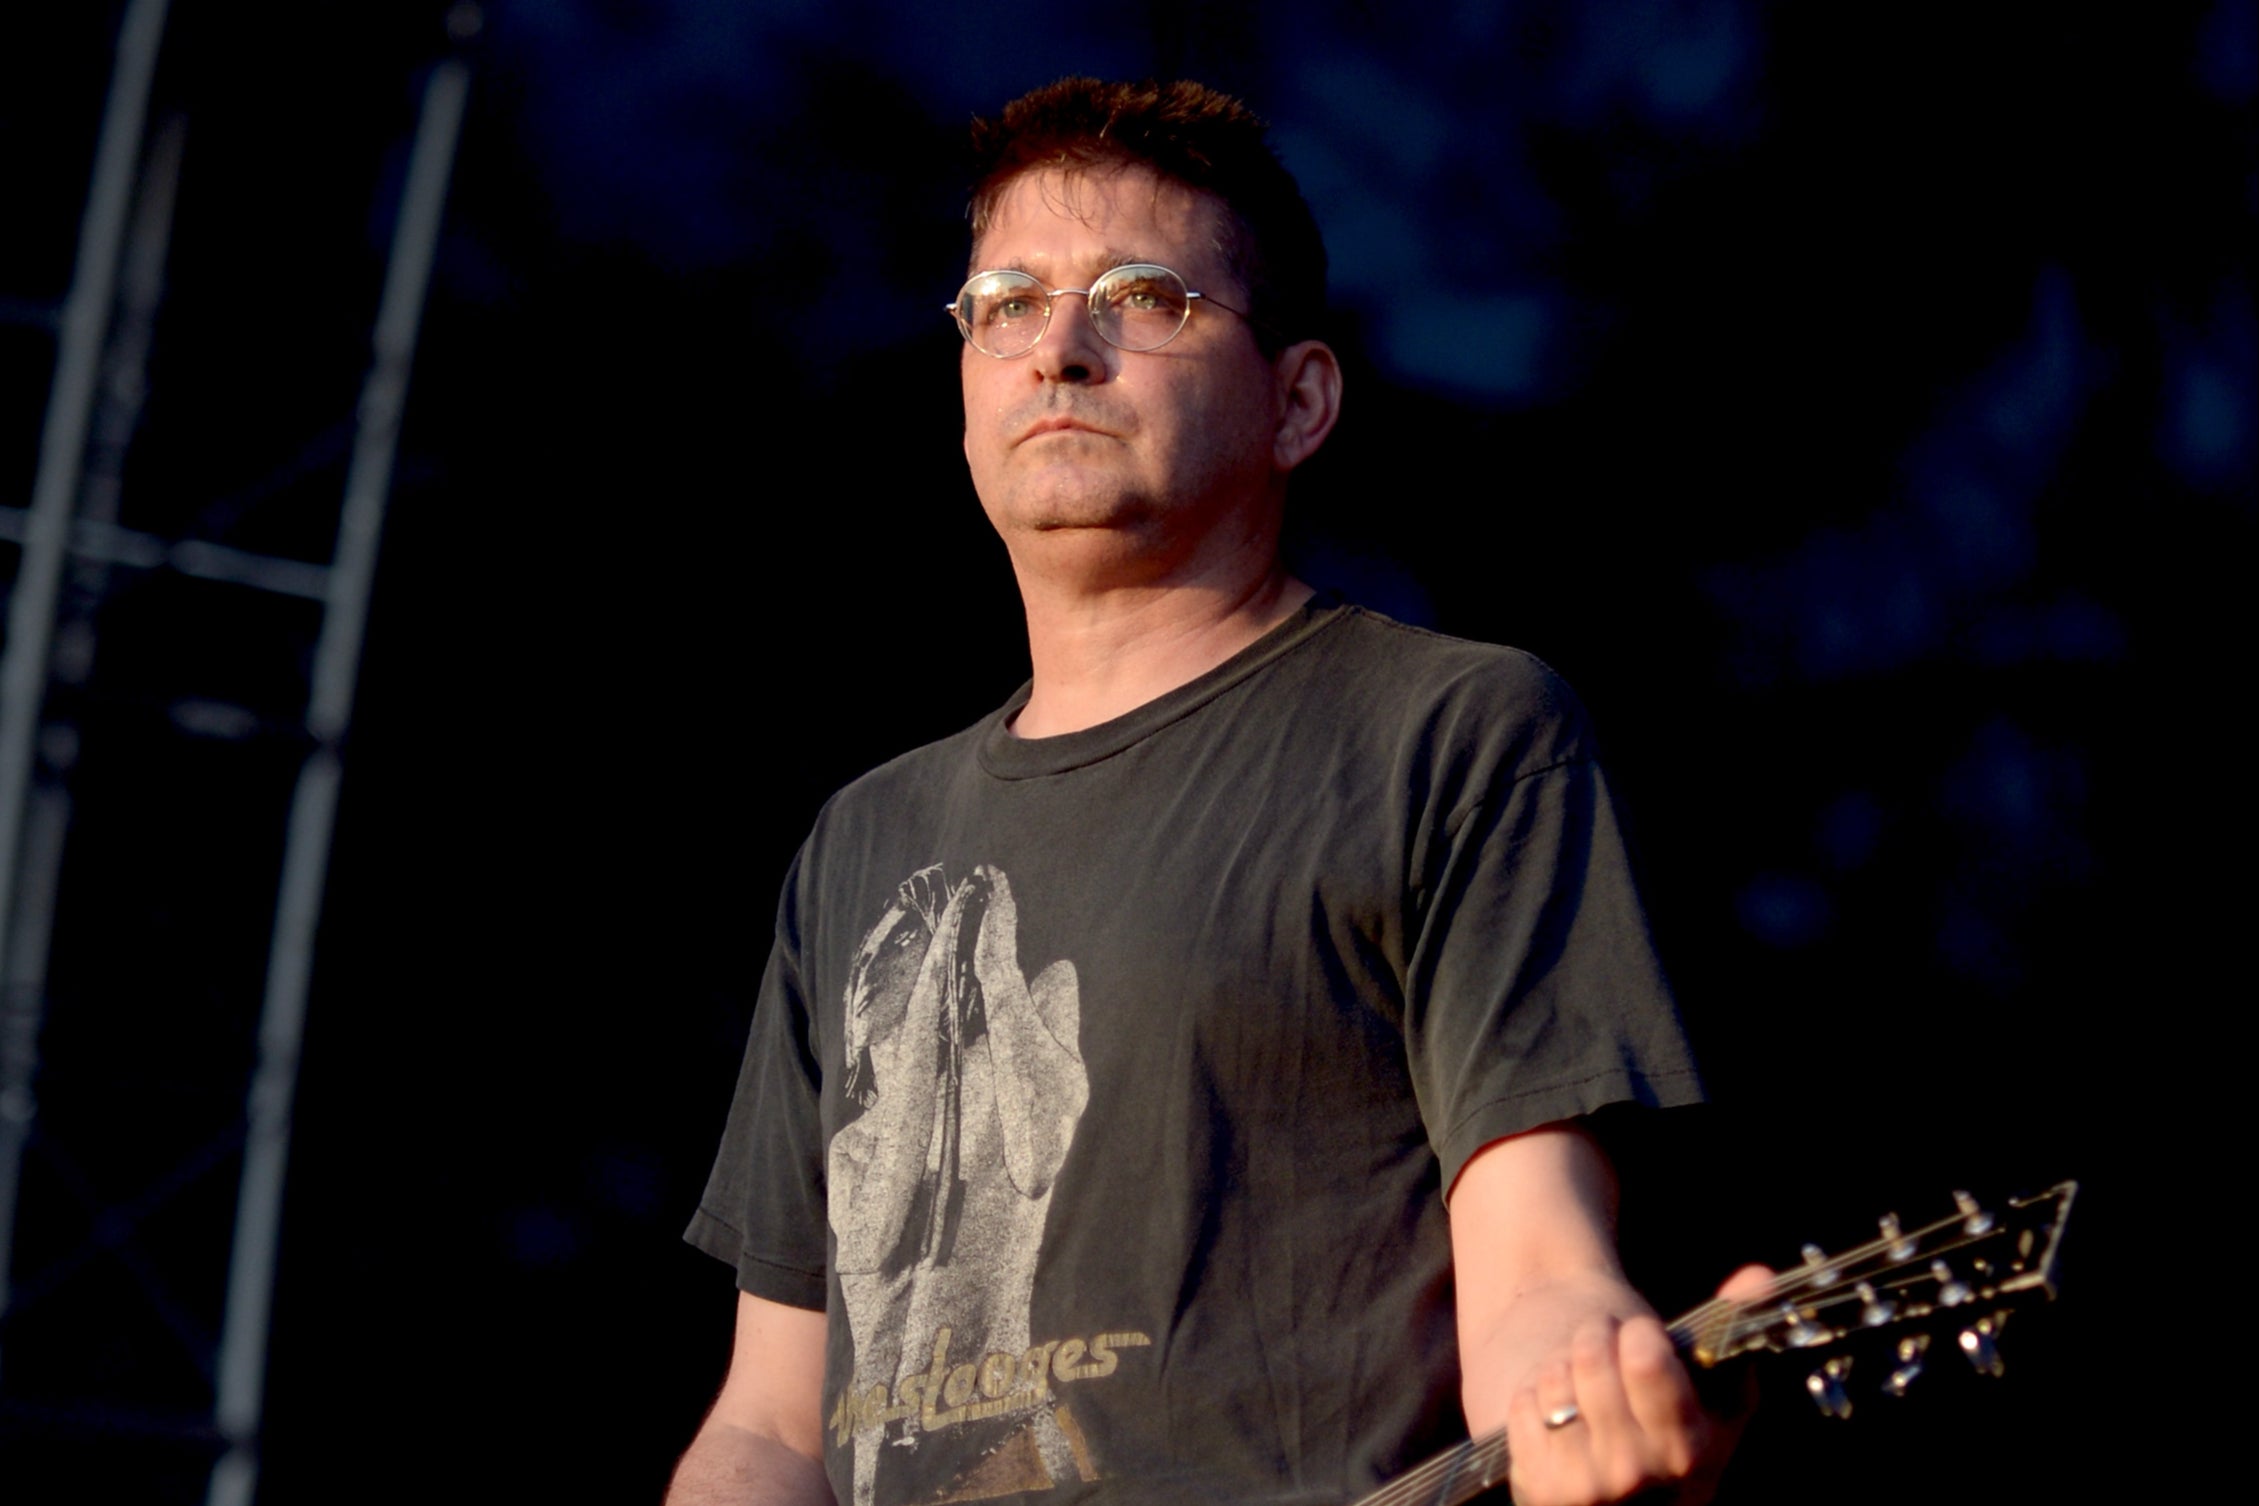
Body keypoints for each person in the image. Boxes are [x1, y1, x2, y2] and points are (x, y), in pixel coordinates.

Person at [670, 78, 1762, 1506]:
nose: (1059, 347)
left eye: (1143, 297)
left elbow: (1536, 1273)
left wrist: (1589, 1391)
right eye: (1003, 301)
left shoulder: (1451, 734)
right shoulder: (860, 840)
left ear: (1298, 401)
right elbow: (772, 1424)